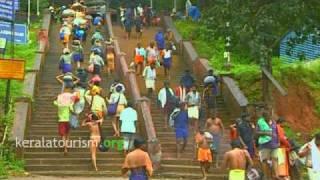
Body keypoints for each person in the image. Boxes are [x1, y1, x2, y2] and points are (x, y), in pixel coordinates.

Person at [256, 109, 280, 180]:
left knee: (275, 159)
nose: (269, 117)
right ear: (263, 117)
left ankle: (276, 175)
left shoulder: (273, 122)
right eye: (266, 116)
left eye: (269, 116)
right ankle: (266, 177)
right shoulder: (260, 122)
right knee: (264, 160)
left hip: (274, 144)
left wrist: (278, 141)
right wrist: (265, 133)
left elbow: (276, 132)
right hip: (264, 145)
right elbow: (256, 132)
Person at [53, 86, 76, 154]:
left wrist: (56, 98)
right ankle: (67, 146)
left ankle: (64, 147)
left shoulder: (59, 104)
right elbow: (72, 109)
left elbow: (54, 102)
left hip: (61, 120)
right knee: (68, 134)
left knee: (63, 135)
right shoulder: (69, 103)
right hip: (68, 120)